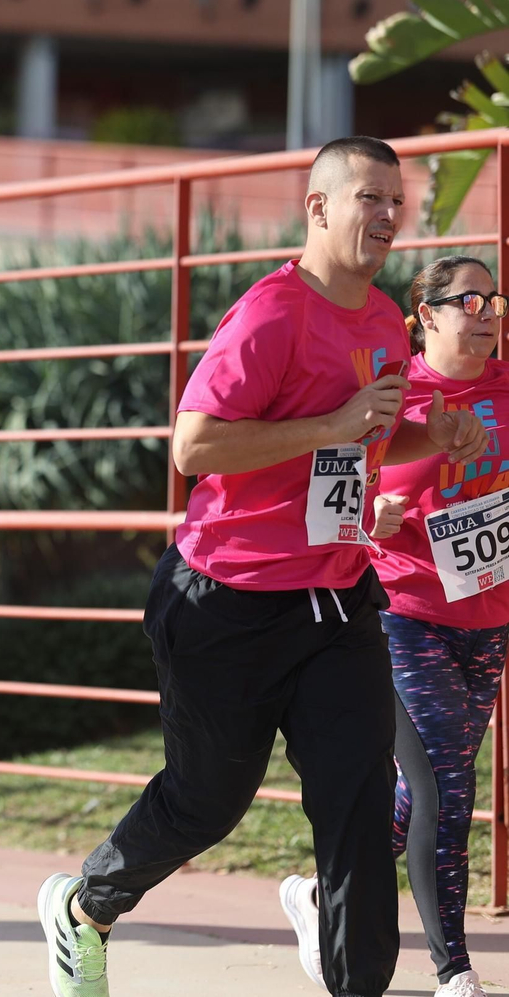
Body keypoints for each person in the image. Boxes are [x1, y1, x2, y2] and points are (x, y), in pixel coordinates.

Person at [36, 136, 491, 997]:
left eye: (398, 199)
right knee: (208, 799)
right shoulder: (273, 312)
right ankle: (86, 905)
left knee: (358, 800)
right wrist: (331, 424)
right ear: (319, 208)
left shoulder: (380, 321)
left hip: (336, 597)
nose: (389, 215)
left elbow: (371, 434)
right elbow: (193, 444)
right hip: (225, 601)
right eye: (369, 197)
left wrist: (436, 434)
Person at [280, 256, 509, 997]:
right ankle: (454, 968)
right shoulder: (392, 395)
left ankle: (324, 897)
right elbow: (330, 497)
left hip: (487, 617)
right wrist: (371, 520)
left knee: (417, 798)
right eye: (467, 298)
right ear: (427, 316)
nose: (484, 311)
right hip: (408, 616)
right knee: (447, 788)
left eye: (493, 298)